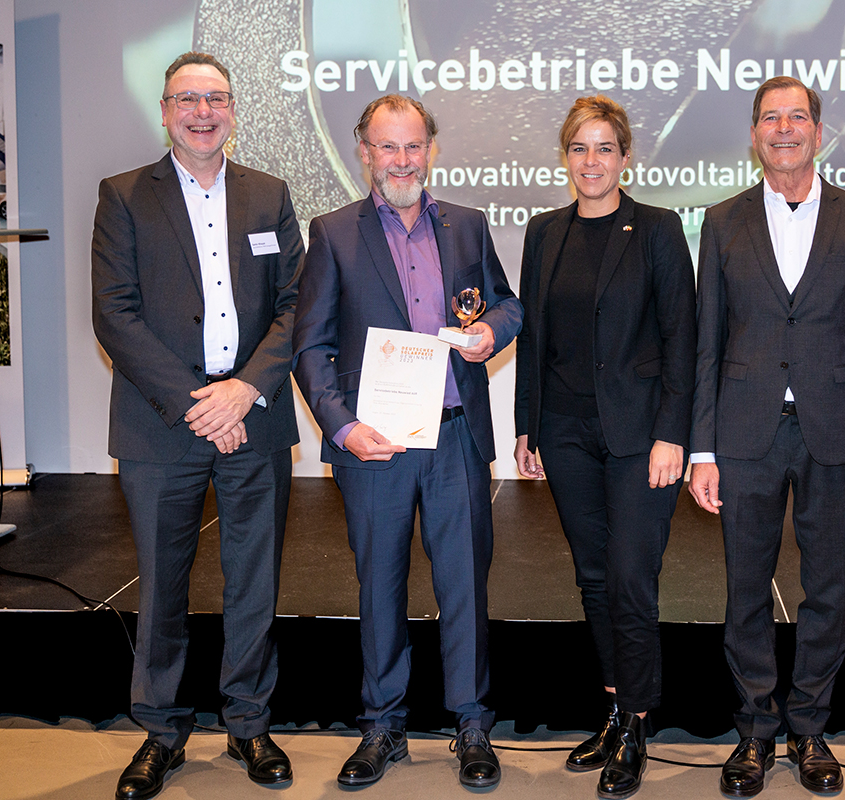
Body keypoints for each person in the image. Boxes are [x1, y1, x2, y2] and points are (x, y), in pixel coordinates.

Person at [292, 94, 522, 791]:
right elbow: (311, 347)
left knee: (464, 590)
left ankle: (472, 724)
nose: (402, 160)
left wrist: (492, 333)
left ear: (431, 149)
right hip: (377, 446)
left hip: (454, 438)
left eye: (413, 146)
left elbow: (506, 303)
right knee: (381, 588)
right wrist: (342, 426)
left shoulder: (468, 226)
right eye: (387, 147)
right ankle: (383, 725)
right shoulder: (332, 233)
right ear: (365, 151)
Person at [91, 51, 303, 800]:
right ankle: (161, 732)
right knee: (163, 585)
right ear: (165, 110)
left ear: (234, 110)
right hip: (162, 426)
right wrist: (199, 403)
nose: (203, 112)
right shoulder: (123, 196)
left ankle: (249, 723)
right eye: (188, 98)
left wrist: (243, 390)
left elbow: (295, 308)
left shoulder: (270, 195)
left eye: (215, 98)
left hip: (254, 419)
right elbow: (113, 314)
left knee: (254, 582)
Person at [688, 75, 845, 797]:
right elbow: (706, 344)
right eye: (770, 118)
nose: (785, 128)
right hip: (744, 434)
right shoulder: (721, 222)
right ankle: (754, 732)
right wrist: (702, 448)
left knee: (827, 589)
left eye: (797, 116)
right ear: (754, 135)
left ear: (819, 130)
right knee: (745, 589)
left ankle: (809, 729)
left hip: (834, 434)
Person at [512, 95, 695, 800]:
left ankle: (639, 724)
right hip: (565, 432)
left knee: (628, 577)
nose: (592, 161)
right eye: (579, 149)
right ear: (566, 158)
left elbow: (683, 337)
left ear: (625, 157)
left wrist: (673, 433)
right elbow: (535, 339)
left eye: (604, 148)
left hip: (640, 436)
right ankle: (615, 710)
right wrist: (527, 426)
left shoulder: (655, 229)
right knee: (592, 576)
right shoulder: (543, 231)